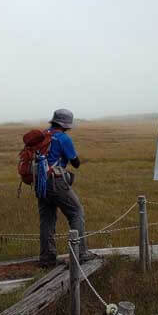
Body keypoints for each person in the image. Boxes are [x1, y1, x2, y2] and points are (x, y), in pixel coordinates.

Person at [37, 108, 96, 267]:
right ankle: (81, 254)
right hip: (56, 181)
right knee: (76, 212)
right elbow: (75, 163)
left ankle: (47, 259)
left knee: (47, 220)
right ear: (66, 124)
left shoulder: (43, 134)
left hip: (40, 183)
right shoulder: (63, 138)